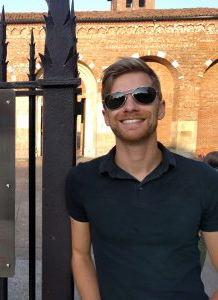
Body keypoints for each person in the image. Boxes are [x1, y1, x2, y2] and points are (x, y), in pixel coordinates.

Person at [65, 57, 218, 300]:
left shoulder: (204, 179)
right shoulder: (82, 180)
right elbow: (80, 255)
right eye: (117, 100)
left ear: (161, 107)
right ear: (106, 115)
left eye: (143, 95)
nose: (130, 107)